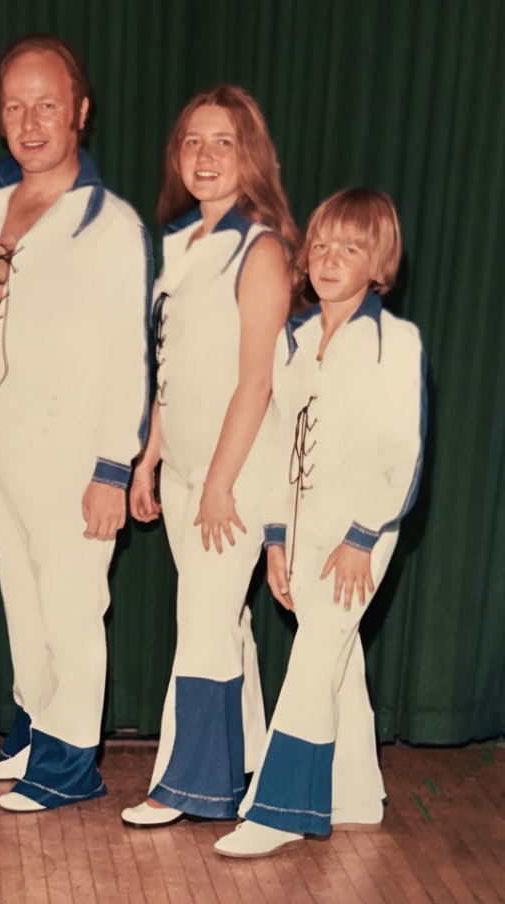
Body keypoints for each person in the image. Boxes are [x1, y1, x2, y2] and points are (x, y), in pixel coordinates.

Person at [0, 33, 150, 812]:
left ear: (80, 112)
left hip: (72, 452)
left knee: (72, 602)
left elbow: (131, 358)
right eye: (14, 105)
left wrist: (113, 467)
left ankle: (72, 763)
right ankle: (37, 726)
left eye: (47, 105)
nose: (30, 121)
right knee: (22, 597)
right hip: (2, 444)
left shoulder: (111, 225)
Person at [215, 189, 425, 857]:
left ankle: (280, 807)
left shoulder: (396, 340)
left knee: (312, 660)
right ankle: (355, 793)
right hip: (302, 534)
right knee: (338, 657)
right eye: (324, 245)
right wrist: (276, 538)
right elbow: (280, 443)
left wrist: (364, 537)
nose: (332, 259)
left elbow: (403, 450)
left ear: (379, 263)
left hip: (360, 535)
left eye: (352, 248)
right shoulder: (297, 339)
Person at [124, 85, 299, 827]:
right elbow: (169, 363)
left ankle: (193, 786)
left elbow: (255, 381)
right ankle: (243, 759)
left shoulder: (261, 249)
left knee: (200, 618)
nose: (204, 155)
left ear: (249, 155)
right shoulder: (181, 244)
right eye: (192, 141)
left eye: (223, 141)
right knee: (221, 621)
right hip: (188, 465)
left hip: (239, 470)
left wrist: (221, 485)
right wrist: (149, 457)